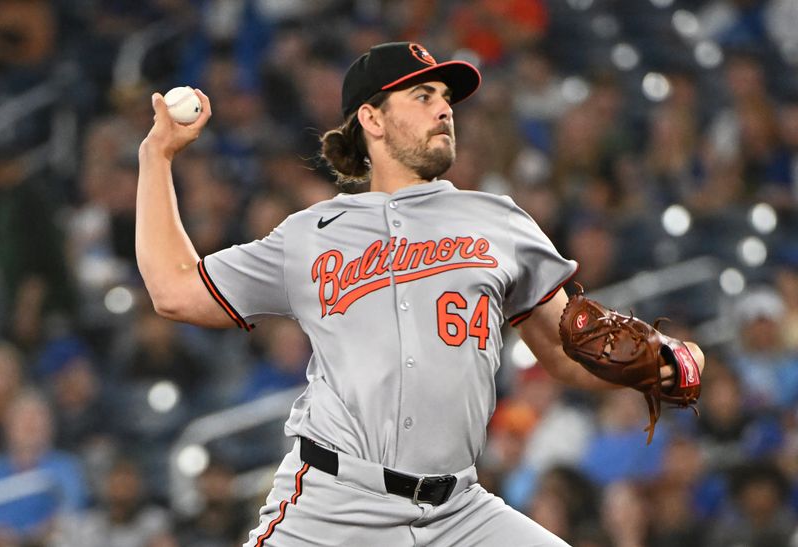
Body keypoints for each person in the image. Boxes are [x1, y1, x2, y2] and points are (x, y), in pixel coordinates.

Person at [136, 42, 705, 546]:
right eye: (423, 95)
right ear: (371, 119)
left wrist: (656, 361)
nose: (443, 108)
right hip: (334, 506)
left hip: (459, 511)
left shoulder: (496, 221)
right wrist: (155, 157)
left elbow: (564, 348)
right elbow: (176, 291)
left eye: (446, 98)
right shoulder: (311, 234)